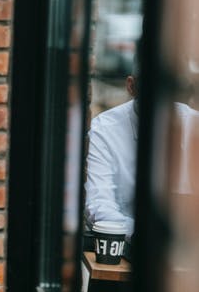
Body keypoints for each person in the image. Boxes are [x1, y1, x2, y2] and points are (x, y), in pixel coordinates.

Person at [84, 62, 195, 240]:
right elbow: (99, 205)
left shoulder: (194, 127)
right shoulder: (104, 130)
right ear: (131, 86)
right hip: (128, 249)